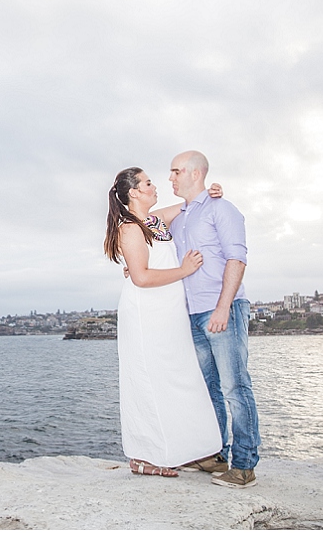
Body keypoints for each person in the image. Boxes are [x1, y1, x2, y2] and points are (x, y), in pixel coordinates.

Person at [103, 167, 222, 477]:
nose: (154, 186)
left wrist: (211, 193)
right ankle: (144, 456)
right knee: (147, 380)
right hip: (146, 313)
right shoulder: (129, 228)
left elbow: (189, 206)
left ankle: (186, 450)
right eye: (148, 183)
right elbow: (140, 277)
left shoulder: (154, 221)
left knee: (177, 377)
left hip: (168, 312)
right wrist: (184, 271)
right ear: (134, 193)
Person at [168, 150, 261, 489]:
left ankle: (245, 466)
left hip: (223, 308)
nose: (171, 178)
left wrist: (224, 307)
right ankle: (216, 454)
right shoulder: (180, 217)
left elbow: (237, 258)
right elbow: (144, 223)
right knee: (210, 389)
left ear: (195, 173)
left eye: (176, 171)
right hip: (192, 313)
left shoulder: (224, 209)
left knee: (235, 386)